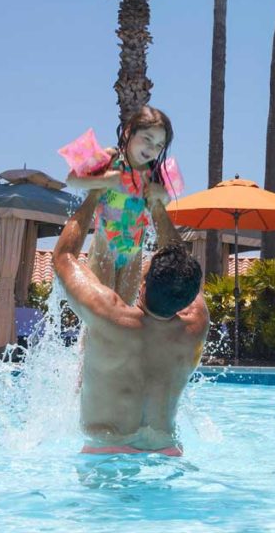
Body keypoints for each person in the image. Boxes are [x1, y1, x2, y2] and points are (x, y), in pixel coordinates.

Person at [52, 187, 208, 456]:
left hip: (108, 451)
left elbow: (64, 257)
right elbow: (183, 268)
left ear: (143, 287)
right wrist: (157, 209)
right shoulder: (196, 325)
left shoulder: (110, 317)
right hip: (166, 452)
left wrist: (94, 195)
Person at [66, 106, 176, 305]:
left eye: (159, 145)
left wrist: (163, 195)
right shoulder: (110, 158)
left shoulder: (154, 174)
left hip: (134, 253)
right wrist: (103, 180)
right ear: (128, 132)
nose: (152, 149)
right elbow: (72, 179)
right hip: (104, 246)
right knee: (102, 311)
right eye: (147, 139)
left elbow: (163, 204)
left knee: (124, 312)